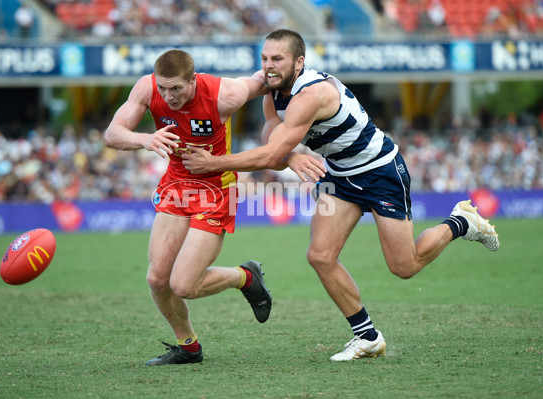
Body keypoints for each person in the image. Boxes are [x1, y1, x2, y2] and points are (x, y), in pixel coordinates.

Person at [181, 29, 500, 361]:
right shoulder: (273, 88)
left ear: (298, 62)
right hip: (341, 175)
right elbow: (270, 130)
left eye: (277, 59)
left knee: (405, 266)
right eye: (264, 58)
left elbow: (268, 154)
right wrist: (289, 156)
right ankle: (367, 337)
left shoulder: (311, 94)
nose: (268, 66)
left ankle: (461, 222)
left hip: (380, 172)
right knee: (320, 255)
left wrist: (214, 163)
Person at [104, 49, 273, 365]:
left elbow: (261, 81)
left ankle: (245, 277)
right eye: (163, 88)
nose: (168, 96)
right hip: (175, 186)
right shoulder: (147, 87)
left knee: (183, 285)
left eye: (176, 89)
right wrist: (146, 139)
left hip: (215, 189)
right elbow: (112, 134)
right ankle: (188, 347)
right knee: (157, 279)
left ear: (193, 80)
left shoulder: (224, 94)